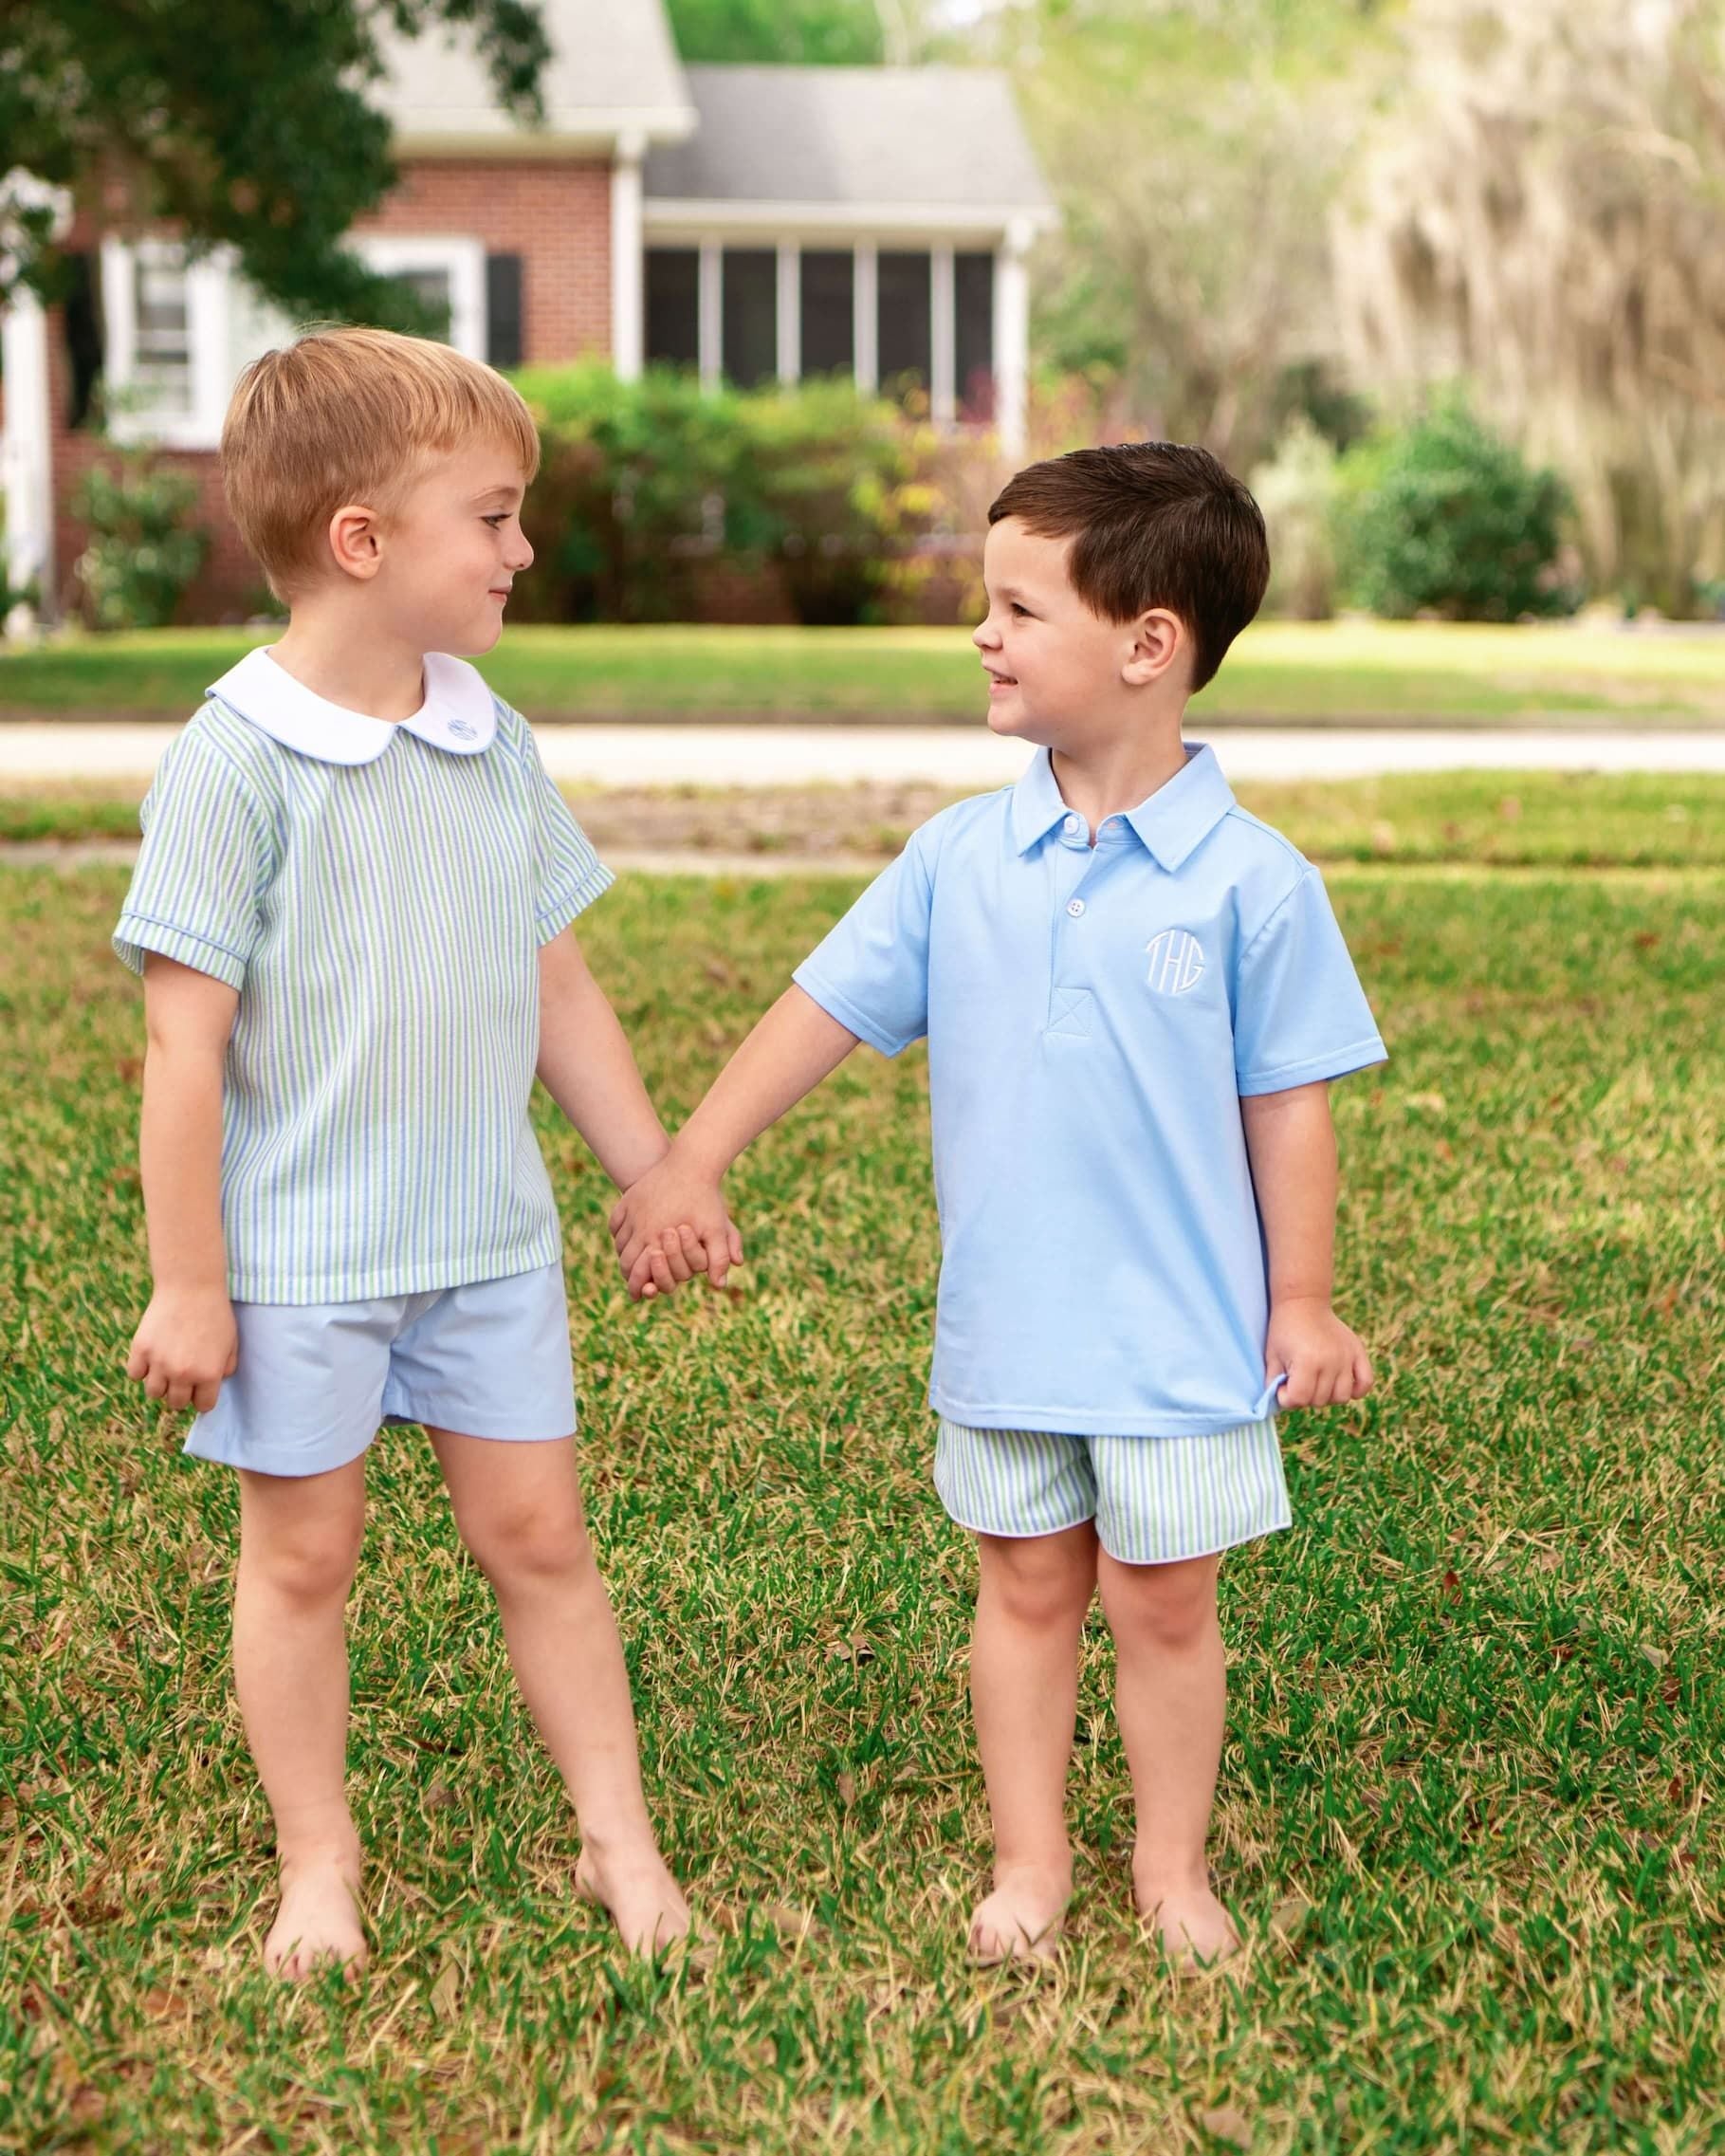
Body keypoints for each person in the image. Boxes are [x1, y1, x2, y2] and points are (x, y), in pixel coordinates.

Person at [610, 442, 1386, 1966]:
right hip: (1011, 1331)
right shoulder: (958, 858)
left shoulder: (1253, 882)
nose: (986, 634)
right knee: (1025, 1589)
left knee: (1166, 1608)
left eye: (1021, 609)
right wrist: (689, 1157)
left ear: (1147, 642)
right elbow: (818, 1010)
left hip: (1180, 1344)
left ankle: (1170, 1870)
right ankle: (1029, 1863)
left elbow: (1291, 1108)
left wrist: (1302, 1297)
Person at [113, 327, 735, 1979]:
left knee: (544, 1541)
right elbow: (182, 1048)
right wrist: (193, 1280)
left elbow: (558, 983)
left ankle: (620, 1840)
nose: (524, 550)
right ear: (362, 542)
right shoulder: (232, 761)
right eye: (496, 516)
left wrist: (653, 1169)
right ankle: (319, 1861)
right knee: (304, 1555)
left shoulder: (487, 736)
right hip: (302, 1257)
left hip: (487, 1244)